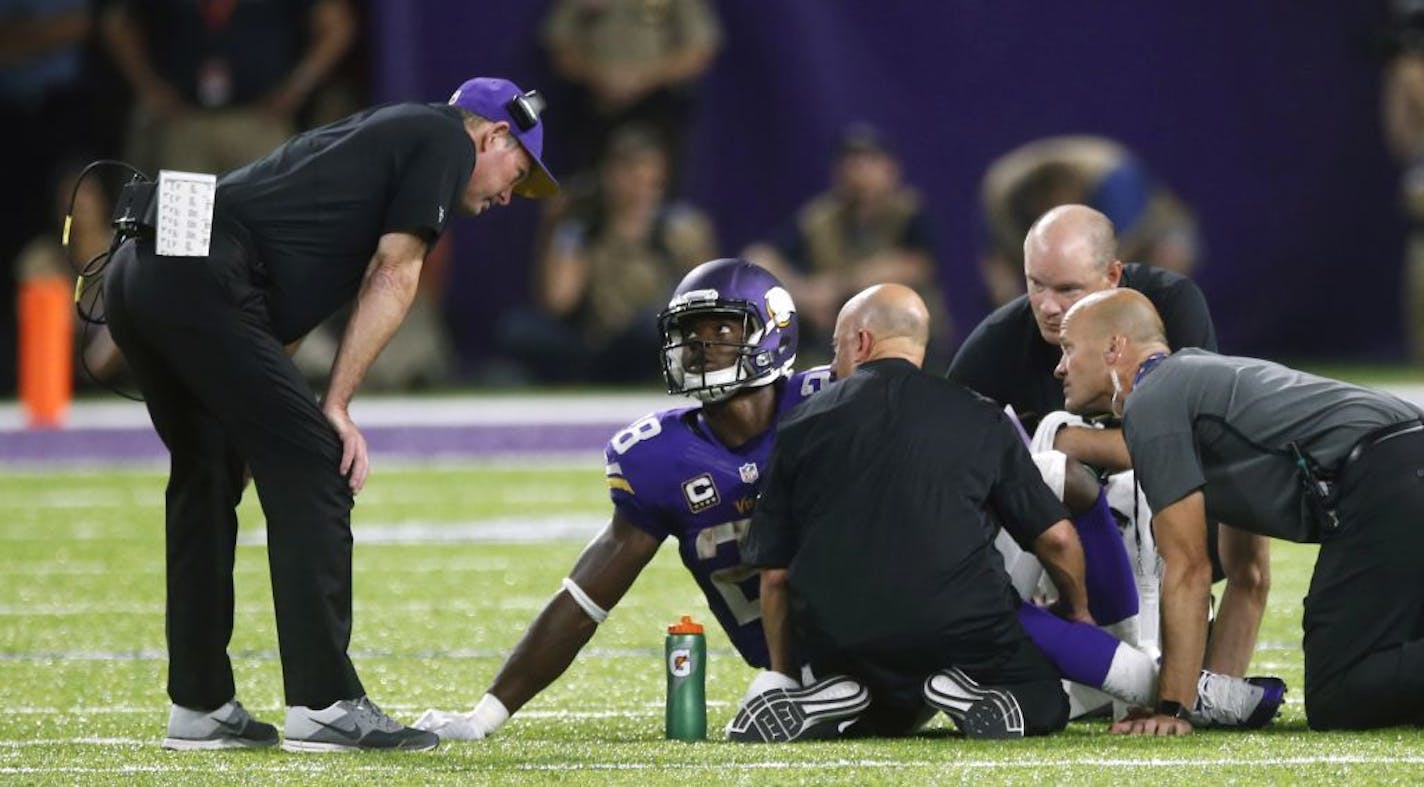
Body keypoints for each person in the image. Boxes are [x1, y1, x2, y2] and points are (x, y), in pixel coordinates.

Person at [414, 265, 1280, 743]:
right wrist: (489, 710)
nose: (703, 350)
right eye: (693, 336)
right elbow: (587, 595)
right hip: (854, 623)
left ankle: (831, 692)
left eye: (722, 332)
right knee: (994, 623)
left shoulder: (828, 403)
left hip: (813, 641)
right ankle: (1154, 678)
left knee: (905, 678)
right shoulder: (691, 449)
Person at [102, 76, 559, 752]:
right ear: (493, 136)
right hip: (202, 266)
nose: (506, 197)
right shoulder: (442, 139)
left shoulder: (381, 141)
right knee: (319, 460)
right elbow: (395, 271)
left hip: (148, 258)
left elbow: (261, 315)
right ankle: (325, 704)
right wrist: (334, 406)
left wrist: (267, 414)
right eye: (516, 174)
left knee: (210, 473)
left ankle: (198, 705)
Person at [1056, 288, 1424, 732]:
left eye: (1067, 348)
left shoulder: (1153, 398)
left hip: (1390, 472)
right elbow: (1248, 570)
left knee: (1339, 691)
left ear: (1115, 347)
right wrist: (1208, 693)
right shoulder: (1198, 387)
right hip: (1402, 464)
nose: (1060, 366)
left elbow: (1189, 566)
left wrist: (1171, 708)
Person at [742, 283, 1087, 740]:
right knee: (1045, 700)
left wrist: (785, 676)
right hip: (962, 629)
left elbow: (775, 576)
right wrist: (1076, 608)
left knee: (878, 720)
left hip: (843, 639)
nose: (833, 362)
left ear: (861, 343)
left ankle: (836, 694)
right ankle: (969, 693)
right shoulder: (979, 415)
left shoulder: (800, 424)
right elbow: (1055, 537)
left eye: (837, 347)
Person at [948, 205, 1270, 677]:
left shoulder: (1169, 306)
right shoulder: (995, 346)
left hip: (1169, 518)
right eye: (1036, 284)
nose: (1048, 305)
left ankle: (1205, 674)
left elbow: (1198, 442)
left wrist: (1065, 443)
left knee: (1204, 482)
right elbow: (951, 468)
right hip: (1051, 543)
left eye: (1067, 289)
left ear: (1113, 275)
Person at [499, 124, 717, 383]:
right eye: (625, 169)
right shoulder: (581, 230)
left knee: (655, 328)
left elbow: (709, 300)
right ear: (606, 173)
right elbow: (559, 301)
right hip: (600, 346)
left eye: (643, 169)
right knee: (519, 330)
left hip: (659, 340)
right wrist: (552, 227)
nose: (635, 180)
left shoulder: (681, 228)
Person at [744, 124, 950, 367]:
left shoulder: (907, 214)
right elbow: (760, 256)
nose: (857, 171)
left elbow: (912, 265)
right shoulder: (820, 219)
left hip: (900, 339)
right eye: (850, 162)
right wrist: (803, 293)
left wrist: (837, 289)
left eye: (868, 161)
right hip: (832, 339)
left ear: (890, 169)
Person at [101, 0, 357, 176]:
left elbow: (337, 25)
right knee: (180, 240)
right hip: (185, 124)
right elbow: (117, 22)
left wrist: (298, 85)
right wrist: (148, 86)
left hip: (259, 123)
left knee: (266, 230)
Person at [977, 135, 1200, 308]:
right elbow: (997, 260)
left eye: (1061, 202)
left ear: (1077, 191)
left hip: (1147, 238)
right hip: (1062, 256)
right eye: (1046, 206)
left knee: (1170, 253)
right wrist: (1012, 304)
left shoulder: (1114, 178)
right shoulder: (1001, 194)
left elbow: (1121, 251)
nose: (1054, 210)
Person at [540, 0, 721, 191]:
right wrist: (601, 76)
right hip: (594, 107)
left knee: (660, 187)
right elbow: (559, 45)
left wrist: (641, 79)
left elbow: (698, 50)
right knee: (584, 187)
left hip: (658, 104)